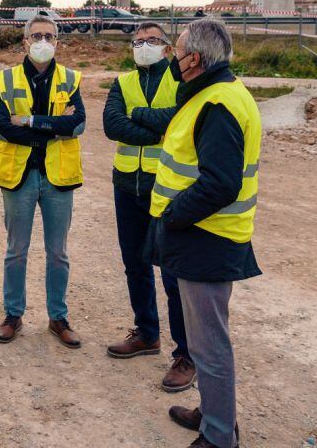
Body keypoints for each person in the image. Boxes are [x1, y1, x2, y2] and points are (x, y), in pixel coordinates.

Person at [130, 18, 262, 448]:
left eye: (178, 50)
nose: (172, 57)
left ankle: (220, 436)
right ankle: (212, 413)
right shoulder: (212, 92)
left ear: (196, 60)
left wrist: (171, 215)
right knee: (205, 337)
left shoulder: (218, 103)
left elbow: (220, 183)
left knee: (209, 344)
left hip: (208, 237)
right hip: (205, 235)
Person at [101, 21, 195, 392]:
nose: (143, 46)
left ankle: (185, 353)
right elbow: (112, 126)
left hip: (167, 187)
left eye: (152, 41)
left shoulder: (181, 79)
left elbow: (180, 121)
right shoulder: (122, 82)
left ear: (168, 47)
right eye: (138, 42)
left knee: (172, 274)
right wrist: (154, 125)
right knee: (135, 265)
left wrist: (137, 115)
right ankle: (147, 332)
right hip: (128, 184)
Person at [0, 16, 86, 348]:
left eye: (49, 35)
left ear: (58, 42)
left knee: (57, 252)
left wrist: (32, 122)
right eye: (36, 36)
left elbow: (76, 125)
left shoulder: (70, 79)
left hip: (58, 178)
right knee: (16, 251)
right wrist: (51, 127)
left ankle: (57, 318)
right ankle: (13, 315)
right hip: (19, 177)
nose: (42, 41)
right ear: (24, 42)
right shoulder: (6, 79)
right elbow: (4, 127)